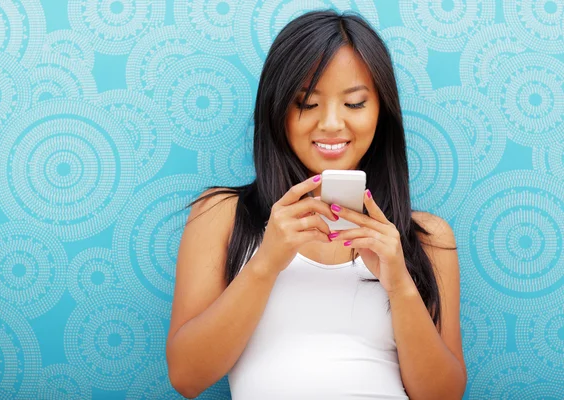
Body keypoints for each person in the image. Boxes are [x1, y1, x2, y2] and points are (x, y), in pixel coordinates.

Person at [166, 9, 467, 400]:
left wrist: (399, 284)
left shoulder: (426, 238)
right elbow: (187, 377)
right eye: (308, 103)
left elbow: (444, 395)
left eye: (355, 104)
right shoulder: (222, 215)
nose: (330, 124)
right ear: (277, 111)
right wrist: (267, 261)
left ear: (381, 113)